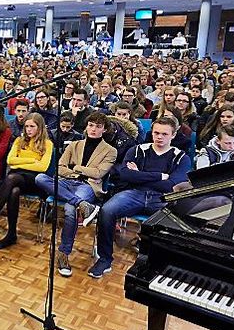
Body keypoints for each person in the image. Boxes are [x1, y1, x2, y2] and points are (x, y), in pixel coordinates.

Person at [91, 117, 190, 279]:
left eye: (164, 134)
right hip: (135, 193)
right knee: (107, 210)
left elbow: (172, 185)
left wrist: (140, 175)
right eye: (156, 133)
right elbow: (126, 175)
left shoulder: (181, 158)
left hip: (162, 198)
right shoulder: (137, 150)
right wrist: (160, 176)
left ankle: (159, 265)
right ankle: (104, 259)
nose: (159, 137)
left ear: (173, 135)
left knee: (177, 222)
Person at [34, 112, 116, 277]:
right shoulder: (74, 145)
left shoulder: (110, 151)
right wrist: (78, 173)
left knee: (70, 209)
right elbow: (60, 168)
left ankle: (63, 254)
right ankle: (83, 205)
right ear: (86, 126)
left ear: (104, 129)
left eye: (98, 126)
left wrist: (76, 168)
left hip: (88, 186)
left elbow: (99, 173)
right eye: (91, 125)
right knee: (40, 178)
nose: (93, 129)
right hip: (67, 182)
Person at [0, 113, 54, 249]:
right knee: (14, 191)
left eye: (32, 126)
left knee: (12, 178)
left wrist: (19, 164)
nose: (28, 129)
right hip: (17, 180)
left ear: (40, 127)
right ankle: (11, 234)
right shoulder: (19, 140)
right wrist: (31, 160)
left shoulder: (47, 144)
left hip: (35, 181)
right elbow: (10, 160)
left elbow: (42, 167)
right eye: (26, 126)